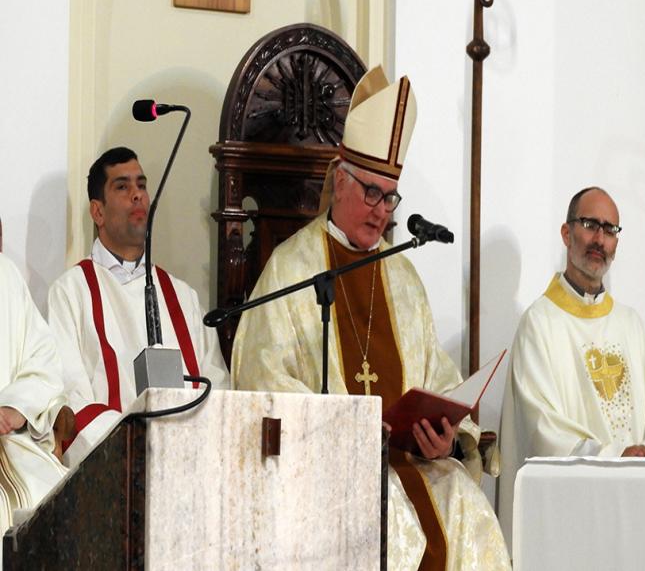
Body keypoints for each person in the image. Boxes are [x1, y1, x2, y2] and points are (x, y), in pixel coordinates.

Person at [232, 67, 511, 571]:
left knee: (467, 510)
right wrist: (348, 429)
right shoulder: (292, 268)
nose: (382, 211)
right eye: (372, 193)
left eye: (390, 197)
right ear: (340, 181)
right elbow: (262, 380)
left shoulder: (402, 276)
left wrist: (448, 438)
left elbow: (438, 379)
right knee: (390, 522)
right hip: (332, 468)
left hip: (411, 464)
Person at [499, 186, 645, 551]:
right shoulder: (539, 323)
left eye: (609, 229)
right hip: (571, 518)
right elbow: (541, 429)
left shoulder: (630, 325)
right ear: (567, 233)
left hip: (636, 507)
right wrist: (616, 457)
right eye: (589, 225)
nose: (600, 239)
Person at [47, 147, 229, 466]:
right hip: (113, 468)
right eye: (122, 186)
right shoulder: (70, 292)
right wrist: (134, 451)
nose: (137, 195)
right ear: (97, 212)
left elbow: (218, 388)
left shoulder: (183, 296)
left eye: (141, 185)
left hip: (190, 463)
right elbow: (71, 397)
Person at [0, 254, 68, 555]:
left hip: (11, 443)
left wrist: (15, 407)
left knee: (58, 499)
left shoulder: (5, 273)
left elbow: (43, 360)